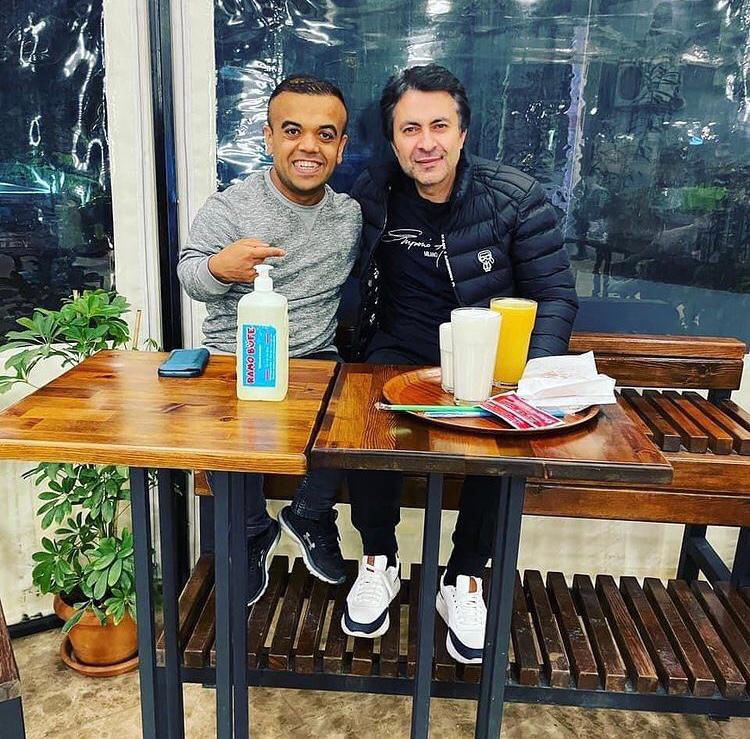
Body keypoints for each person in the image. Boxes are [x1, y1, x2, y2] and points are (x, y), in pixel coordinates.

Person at [341, 65, 578, 664]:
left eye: (439, 126)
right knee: (366, 415)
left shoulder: (515, 198)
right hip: (399, 351)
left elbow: (555, 295)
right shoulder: (372, 194)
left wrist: (532, 373)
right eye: (410, 129)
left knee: (504, 435)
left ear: (463, 132)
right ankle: (378, 559)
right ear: (393, 140)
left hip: (489, 360)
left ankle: (465, 577)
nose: (426, 143)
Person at [177, 74, 361, 605]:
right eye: (292, 131)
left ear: (341, 146)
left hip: (313, 357)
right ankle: (253, 531)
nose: (309, 146)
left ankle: (308, 515)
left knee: (353, 414)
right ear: (269, 137)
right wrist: (219, 267)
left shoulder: (349, 216)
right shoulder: (231, 208)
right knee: (225, 443)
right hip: (235, 357)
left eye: (325, 135)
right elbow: (190, 275)